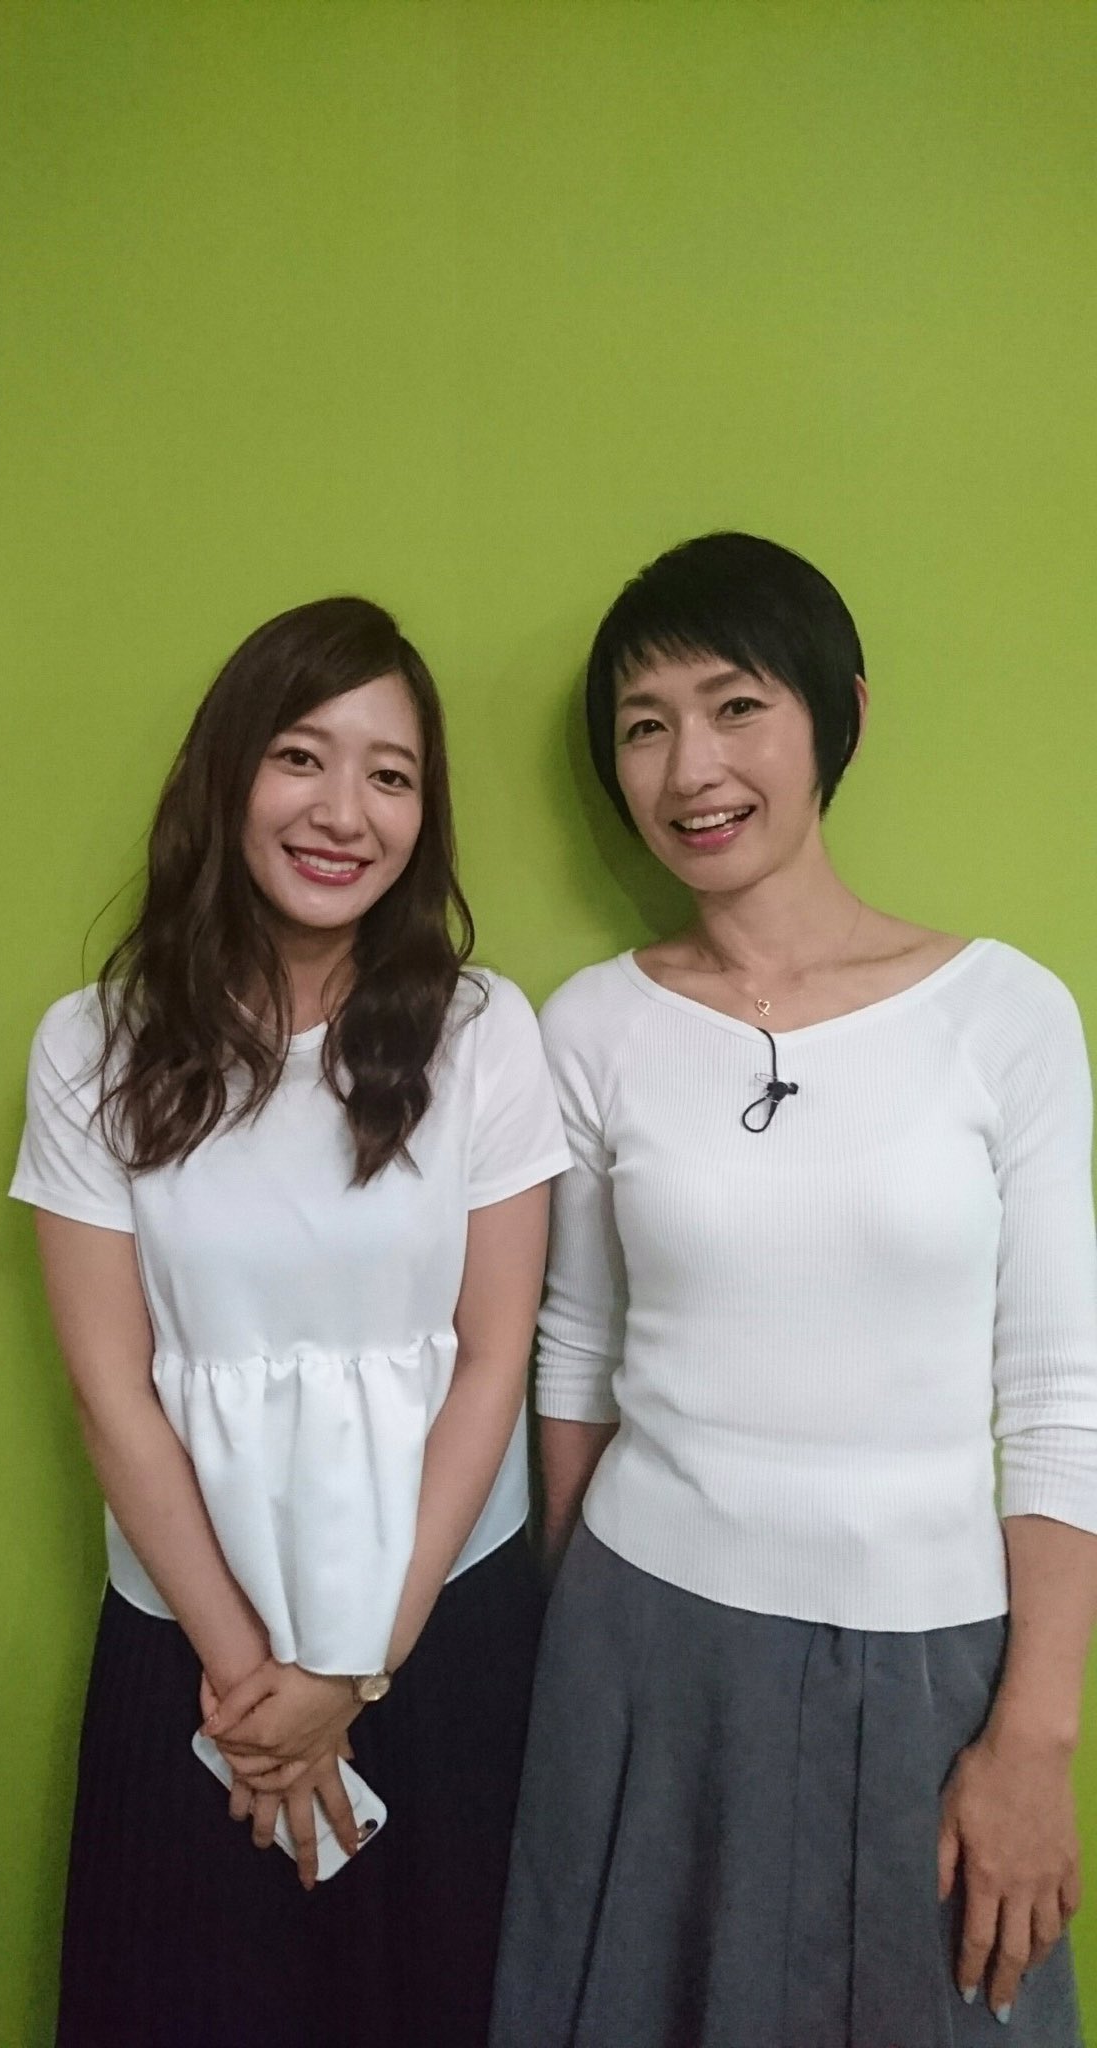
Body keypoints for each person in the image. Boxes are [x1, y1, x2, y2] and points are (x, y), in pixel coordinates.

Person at [490, 533, 1097, 2048]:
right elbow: (577, 1348)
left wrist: (1036, 1737)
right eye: (644, 726)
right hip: (642, 1639)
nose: (691, 766)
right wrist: (572, 1646)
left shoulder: (1008, 1014)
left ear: (843, 714)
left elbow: (1058, 1392)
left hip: (934, 1660)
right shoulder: (592, 1028)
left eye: (737, 705)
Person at [10, 595, 570, 2048]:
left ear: (423, 817)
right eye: (301, 757)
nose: (343, 811)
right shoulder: (93, 1045)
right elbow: (112, 1389)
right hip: (195, 1645)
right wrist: (259, 1683)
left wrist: (351, 1667)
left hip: (436, 1624)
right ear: (228, 775)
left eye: (390, 775)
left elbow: (493, 1360)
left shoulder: (484, 1032)